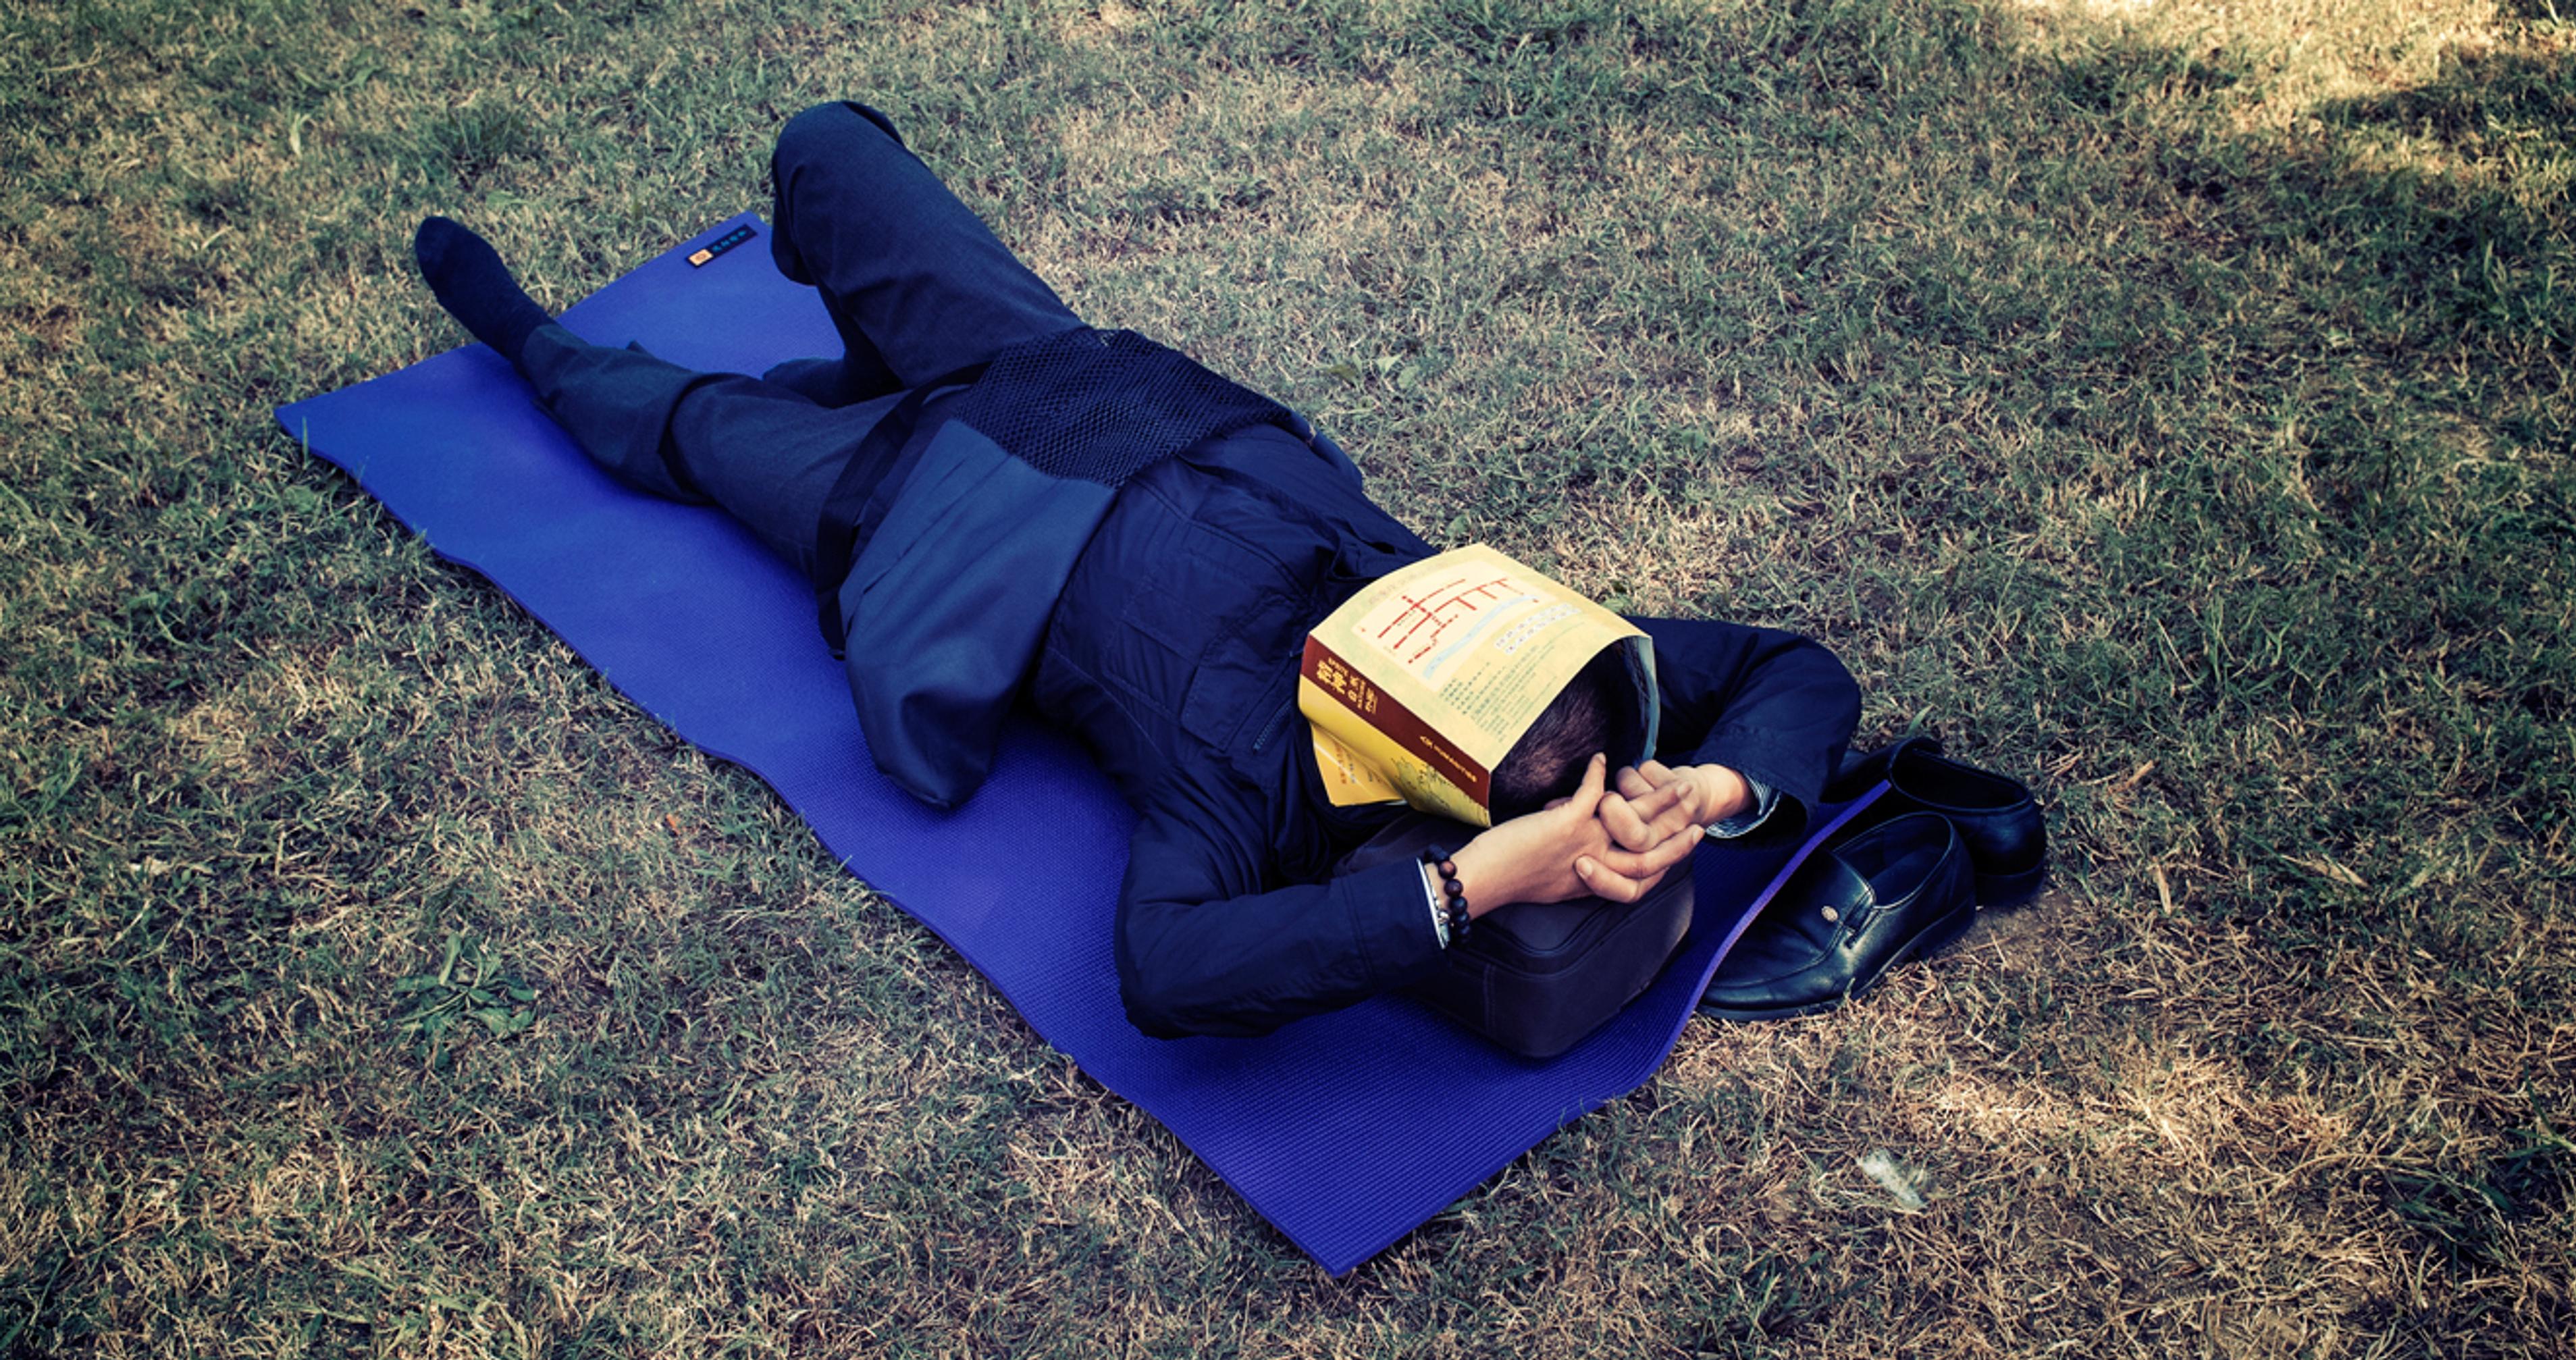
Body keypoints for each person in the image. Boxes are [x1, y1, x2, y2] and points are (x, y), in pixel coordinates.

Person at [410, 101, 1862, 1040]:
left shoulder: (1255, 795)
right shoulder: (1566, 666)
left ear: (1424, 760)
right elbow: (1799, 666)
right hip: (1064, 376)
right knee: (828, 151)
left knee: (688, 428)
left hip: (928, 504)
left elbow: (1164, 971)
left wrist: (1474, 889)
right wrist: (1717, 784)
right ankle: (866, 355)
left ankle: (535, 345)